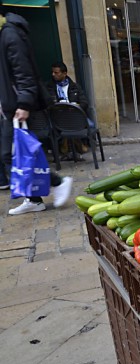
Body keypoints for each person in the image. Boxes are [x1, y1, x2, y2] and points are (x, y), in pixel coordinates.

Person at [0, 3, 73, 214]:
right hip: (10, 104)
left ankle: (58, 183)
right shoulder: (6, 33)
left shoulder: (10, 34)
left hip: (17, 105)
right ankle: (34, 199)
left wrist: (23, 103)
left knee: (14, 154)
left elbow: (23, 72)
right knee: (16, 154)